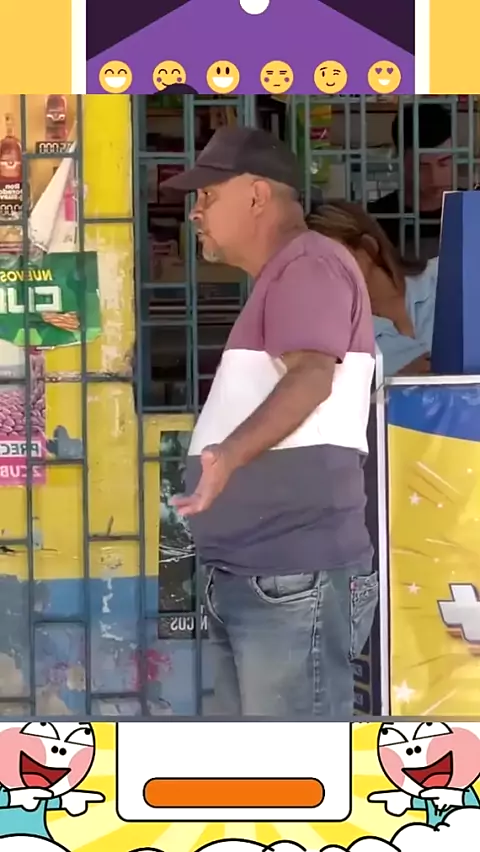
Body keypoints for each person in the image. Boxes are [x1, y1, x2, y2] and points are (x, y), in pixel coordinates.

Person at [160, 126, 379, 718]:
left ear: (257, 195)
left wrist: (229, 455)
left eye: (207, 197)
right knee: (262, 764)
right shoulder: (288, 274)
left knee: (293, 764)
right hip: (267, 576)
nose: (195, 213)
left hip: (292, 576)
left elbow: (311, 377)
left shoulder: (307, 264)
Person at [308, 200, 438, 376]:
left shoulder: (444, 278)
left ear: (368, 246)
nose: (326, 274)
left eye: (334, 259)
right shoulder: (337, 330)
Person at [368, 103, 453, 259]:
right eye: (422, 166)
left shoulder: (472, 209)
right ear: (399, 159)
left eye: (444, 163)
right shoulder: (375, 220)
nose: (435, 178)